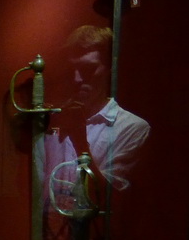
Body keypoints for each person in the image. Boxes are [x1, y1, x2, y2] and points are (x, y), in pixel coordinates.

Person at [40, 25, 151, 213]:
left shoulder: (131, 128)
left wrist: (79, 139)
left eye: (88, 69)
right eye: (71, 70)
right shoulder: (51, 119)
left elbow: (108, 200)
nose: (76, 79)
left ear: (109, 69)